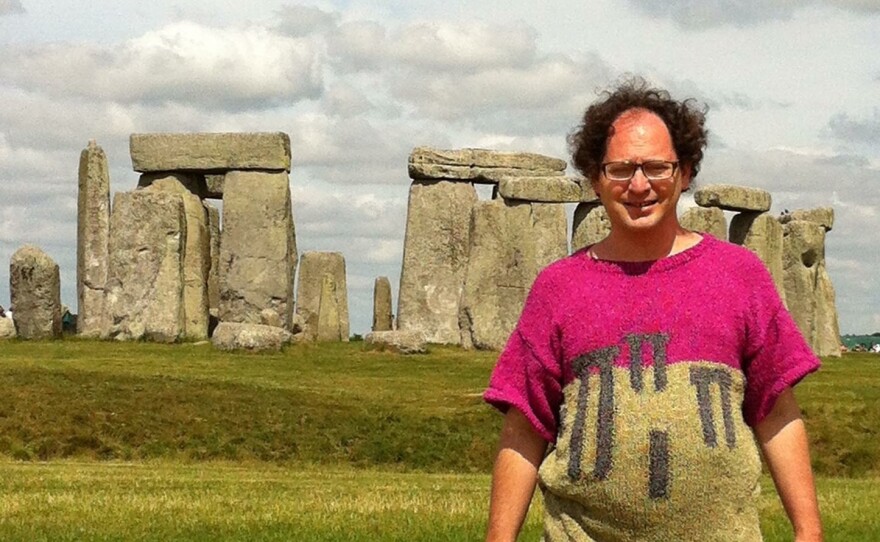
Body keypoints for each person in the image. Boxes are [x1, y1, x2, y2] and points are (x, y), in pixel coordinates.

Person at [484, 78, 823, 541]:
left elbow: (775, 409)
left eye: (657, 168)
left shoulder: (739, 275)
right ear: (595, 178)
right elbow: (525, 426)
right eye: (621, 169)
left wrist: (809, 530)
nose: (639, 185)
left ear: (684, 173)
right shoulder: (558, 288)